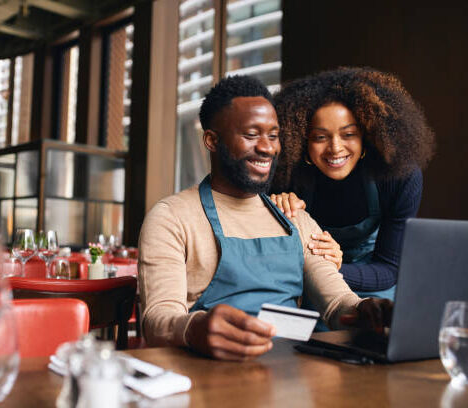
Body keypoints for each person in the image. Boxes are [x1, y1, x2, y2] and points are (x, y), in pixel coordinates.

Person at [138, 75, 391, 361]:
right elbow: (157, 320)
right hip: (207, 377)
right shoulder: (172, 217)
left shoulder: (294, 217)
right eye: (251, 134)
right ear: (212, 140)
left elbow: (337, 304)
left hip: (291, 378)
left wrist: (367, 310)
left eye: (273, 135)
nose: (268, 147)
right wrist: (194, 328)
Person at [271, 67, 435, 301]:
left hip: (374, 283)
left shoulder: (399, 177)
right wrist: (275, 209)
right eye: (320, 137)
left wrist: (335, 267)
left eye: (348, 134)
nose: (335, 148)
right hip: (311, 280)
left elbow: (388, 269)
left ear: (367, 136)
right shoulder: (286, 177)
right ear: (301, 141)